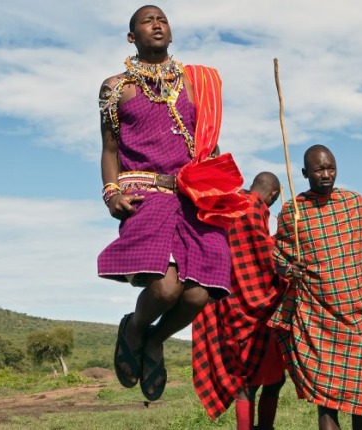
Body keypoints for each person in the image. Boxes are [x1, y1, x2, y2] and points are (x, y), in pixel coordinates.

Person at [97, 4, 250, 402]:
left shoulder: (197, 83)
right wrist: (111, 193)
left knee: (200, 295)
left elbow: (208, 145)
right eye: (147, 21)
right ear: (132, 37)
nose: (157, 24)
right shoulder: (115, 87)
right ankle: (133, 327)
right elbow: (110, 149)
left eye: (162, 18)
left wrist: (218, 188)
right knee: (166, 290)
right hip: (146, 195)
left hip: (194, 198)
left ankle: (154, 340)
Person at [270, 145, 362, 430]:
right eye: (319, 170)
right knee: (326, 402)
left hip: (360, 317)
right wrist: (288, 269)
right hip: (318, 322)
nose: (327, 174)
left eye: (331, 168)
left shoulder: (353, 203)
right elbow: (279, 258)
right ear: (305, 173)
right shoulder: (292, 212)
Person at [191, 172, 288, 430]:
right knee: (266, 380)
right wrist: (285, 245)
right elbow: (263, 256)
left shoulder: (228, 202)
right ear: (274, 195)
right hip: (256, 310)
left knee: (246, 382)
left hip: (226, 306)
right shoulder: (253, 208)